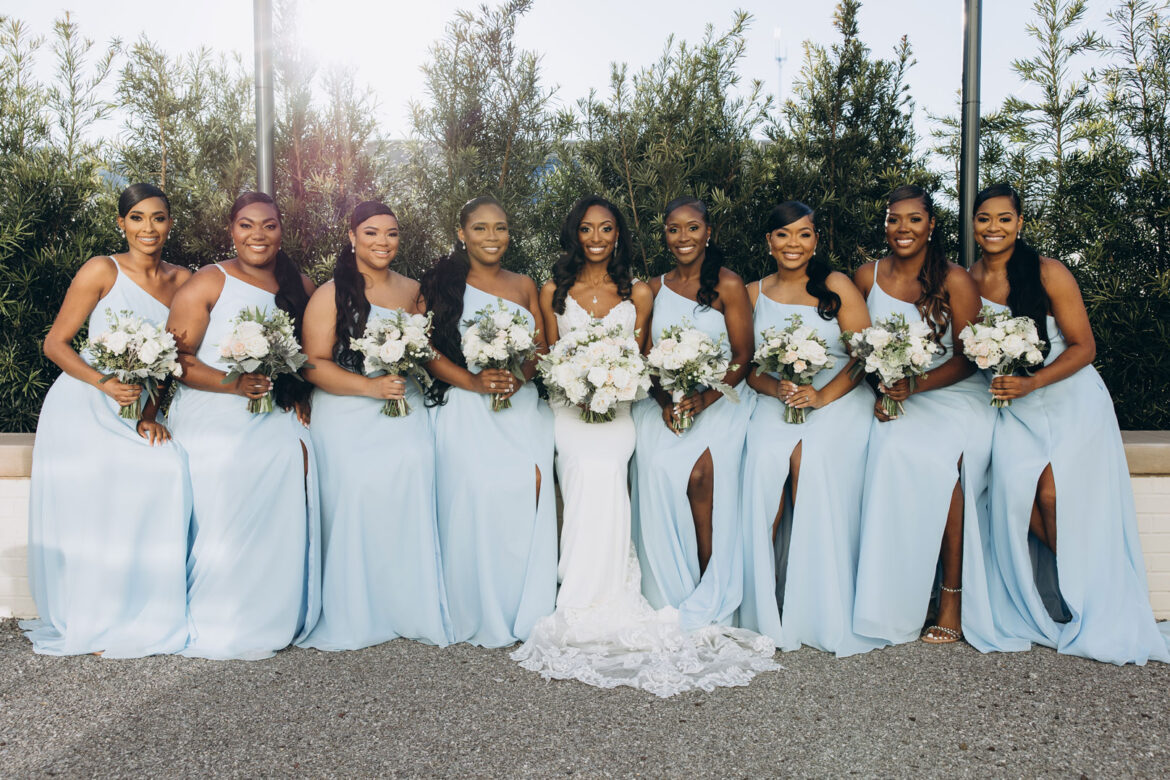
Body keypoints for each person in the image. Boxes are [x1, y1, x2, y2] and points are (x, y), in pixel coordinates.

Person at [512, 196, 777, 696]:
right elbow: (548, 356)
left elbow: (639, 358)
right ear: (575, 234)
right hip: (571, 408)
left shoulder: (640, 292)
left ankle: (647, 588)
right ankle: (581, 590)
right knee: (586, 470)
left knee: (614, 471)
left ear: (619, 236)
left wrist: (641, 392)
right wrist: (573, 384)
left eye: (606, 229)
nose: (596, 238)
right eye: (587, 229)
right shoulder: (554, 290)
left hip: (625, 409)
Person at [970, 183, 1170, 664]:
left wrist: (1033, 383)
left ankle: (1098, 598)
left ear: (1020, 223)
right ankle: (1075, 590)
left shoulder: (1047, 271)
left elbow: (1084, 346)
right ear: (974, 225)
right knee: (1019, 497)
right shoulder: (970, 278)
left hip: (1069, 399)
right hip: (1012, 407)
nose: (994, 227)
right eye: (984, 219)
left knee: (1054, 495)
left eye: (1004, 218)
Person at [21, 183, 192, 657]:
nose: (148, 228)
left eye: (157, 218)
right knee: (102, 496)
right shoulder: (102, 269)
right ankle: (96, 617)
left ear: (170, 223)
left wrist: (151, 415)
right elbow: (55, 343)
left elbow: (174, 361)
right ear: (121, 223)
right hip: (84, 403)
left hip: (137, 407)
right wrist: (102, 382)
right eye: (136, 218)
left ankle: (147, 612)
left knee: (167, 472)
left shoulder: (183, 282)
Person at [166, 191, 320, 660]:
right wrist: (233, 385)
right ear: (231, 230)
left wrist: (301, 395)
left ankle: (274, 608)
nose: (258, 235)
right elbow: (177, 359)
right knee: (229, 462)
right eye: (247, 225)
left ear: (281, 230)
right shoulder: (208, 282)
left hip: (272, 404)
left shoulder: (303, 284)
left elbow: (309, 357)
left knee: (294, 455)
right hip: (213, 400)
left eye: (269, 225)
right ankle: (220, 607)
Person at [296, 201, 450, 651]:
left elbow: (425, 352)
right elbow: (311, 364)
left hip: (402, 400)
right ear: (352, 237)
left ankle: (406, 601)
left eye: (391, 234)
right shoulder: (331, 294)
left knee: (415, 463)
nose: (382, 242)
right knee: (361, 481)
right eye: (371, 233)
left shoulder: (413, 291)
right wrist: (370, 389)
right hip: (349, 402)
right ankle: (358, 605)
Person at [851, 185, 1000, 648]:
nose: (903, 229)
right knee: (882, 448)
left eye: (914, 220)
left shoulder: (955, 279)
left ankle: (951, 598)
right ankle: (886, 596)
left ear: (931, 225)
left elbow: (971, 357)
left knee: (939, 460)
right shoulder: (865, 276)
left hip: (951, 392)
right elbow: (855, 347)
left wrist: (914, 385)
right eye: (894, 219)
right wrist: (882, 388)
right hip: (890, 389)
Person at [738, 201, 881, 657]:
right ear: (769, 242)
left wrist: (819, 396)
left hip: (837, 397)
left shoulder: (836, 285)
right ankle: (762, 604)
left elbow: (864, 356)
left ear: (816, 239)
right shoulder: (752, 293)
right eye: (783, 235)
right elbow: (746, 369)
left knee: (809, 459)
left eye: (803, 234)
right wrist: (776, 388)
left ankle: (813, 602)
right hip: (775, 399)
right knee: (763, 462)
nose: (793, 244)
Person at [419, 195, 556, 647]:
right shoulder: (440, 284)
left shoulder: (523, 284)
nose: (491, 237)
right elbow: (427, 350)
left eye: (500, 228)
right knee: (478, 490)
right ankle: (475, 601)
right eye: (480, 228)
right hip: (464, 402)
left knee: (530, 484)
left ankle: (525, 601)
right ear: (461, 234)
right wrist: (474, 383)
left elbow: (538, 346)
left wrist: (520, 376)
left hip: (518, 402)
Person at [631, 196, 757, 630]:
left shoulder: (728, 285)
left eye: (692, 228)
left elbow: (743, 356)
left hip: (722, 398)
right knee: (657, 464)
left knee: (702, 473)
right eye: (673, 229)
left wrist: (704, 398)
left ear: (708, 232)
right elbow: (644, 357)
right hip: (667, 398)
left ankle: (710, 583)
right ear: (664, 234)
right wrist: (668, 403)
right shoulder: (652, 287)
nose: (683, 237)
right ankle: (668, 587)